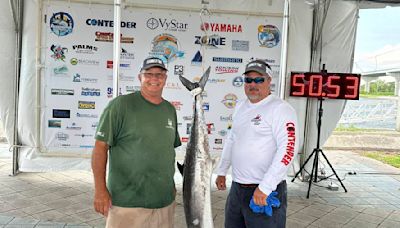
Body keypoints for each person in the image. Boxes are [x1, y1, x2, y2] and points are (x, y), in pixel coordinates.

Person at [91, 57, 181, 228]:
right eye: (149, 74)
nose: (154, 79)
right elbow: (100, 148)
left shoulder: (169, 109)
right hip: (127, 203)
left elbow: (167, 150)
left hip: (164, 203)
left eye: (160, 74)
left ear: (165, 79)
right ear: (140, 77)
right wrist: (100, 190)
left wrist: (171, 187)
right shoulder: (120, 105)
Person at [215, 59, 298, 228]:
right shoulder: (240, 106)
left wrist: (266, 187)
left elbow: (288, 149)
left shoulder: (280, 109)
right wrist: (222, 170)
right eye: (248, 80)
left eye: (259, 79)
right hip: (237, 188)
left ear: (269, 81)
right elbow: (232, 140)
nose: (253, 84)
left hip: (265, 191)